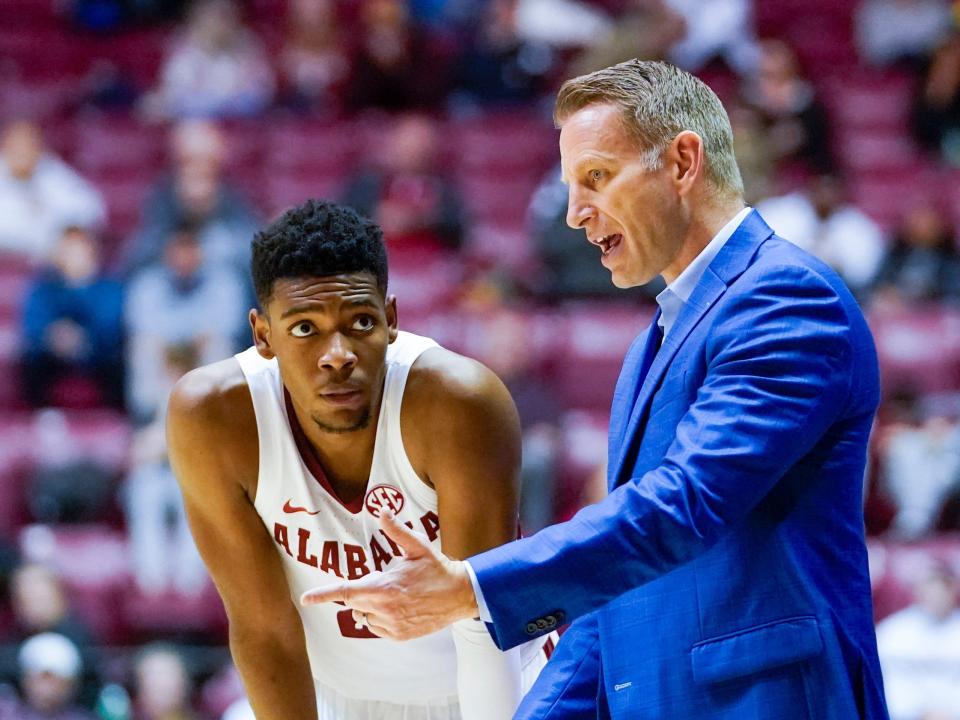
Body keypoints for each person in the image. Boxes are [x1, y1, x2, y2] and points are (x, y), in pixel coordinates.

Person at [302, 60, 888, 719]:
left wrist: (472, 588)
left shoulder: (785, 301)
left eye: (596, 179)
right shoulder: (653, 342)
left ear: (682, 162)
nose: (577, 214)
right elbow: (615, 595)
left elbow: (679, 508)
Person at [166, 199, 552, 720]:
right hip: (339, 697)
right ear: (263, 336)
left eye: (361, 321)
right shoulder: (213, 418)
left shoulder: (458, 403)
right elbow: (264, 630)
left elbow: (482, 625)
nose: (338, 354)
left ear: (390, 319)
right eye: (305, 328)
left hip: (501, 678)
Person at [875, 561, 960, 720]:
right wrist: (919, 712)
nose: (936, 596)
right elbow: (890, 683)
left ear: (953, 590)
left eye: (942, 588)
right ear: (917, 591)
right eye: (930, 589)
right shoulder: (892, 632)